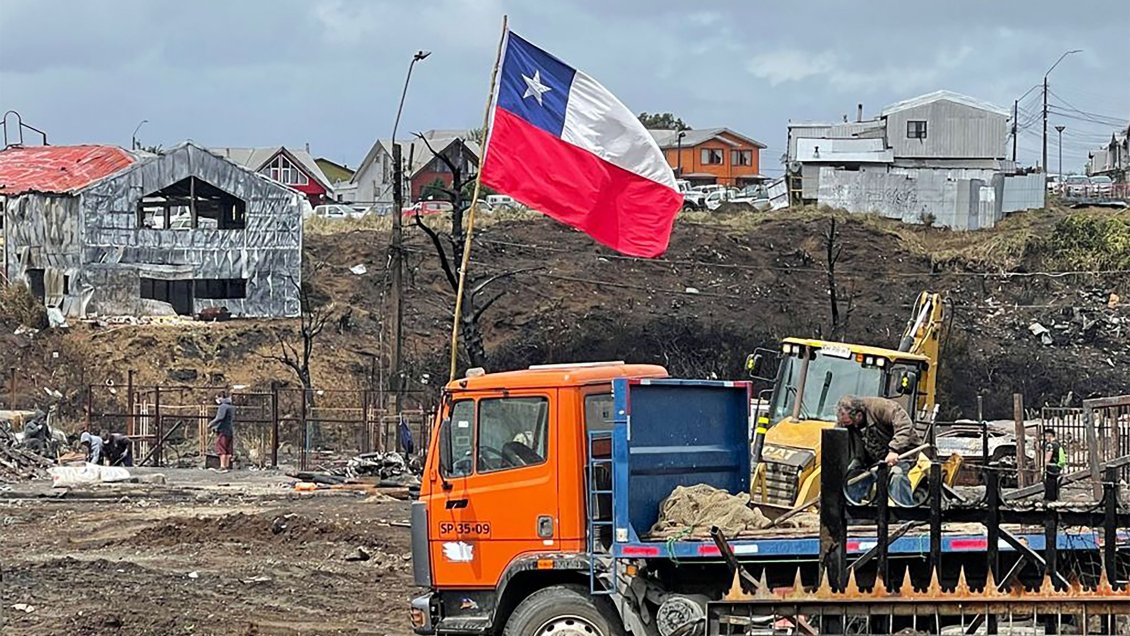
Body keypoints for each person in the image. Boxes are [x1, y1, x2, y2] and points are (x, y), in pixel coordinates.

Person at [836, 395, 922, 507]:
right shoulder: (845, 423)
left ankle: (905, 513)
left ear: (859, 415)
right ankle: (851, 513)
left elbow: (905, 426)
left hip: (901, 453)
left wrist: (894, 450)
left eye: (850, 423)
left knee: (897, 475)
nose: (849, 427)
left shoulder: (881, 407)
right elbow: (838, 442)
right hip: (870, 458)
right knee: (853, 478)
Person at [208, 392, 236, 471]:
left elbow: (220, 418)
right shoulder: (231, 407)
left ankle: (222, 466)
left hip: (222, 430)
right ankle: (227, 465)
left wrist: (211, 424)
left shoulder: (223, 407)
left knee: (221, 447)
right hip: (230, 430)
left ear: (221, 397)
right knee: (228, 448)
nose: (217, 400)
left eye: (217, 398)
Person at [1043, 428, 1066, 502]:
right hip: (1057, 466)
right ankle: (1055, 498)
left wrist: (1043, 467)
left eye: (1046, 436)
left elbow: (1048, 457)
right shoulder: (1058, 444)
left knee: (1050, 484)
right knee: (1055, 483)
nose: (1045, 439)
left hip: (1051, 467)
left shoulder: (1050, 445)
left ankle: (1050, 500)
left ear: (1049, 436)